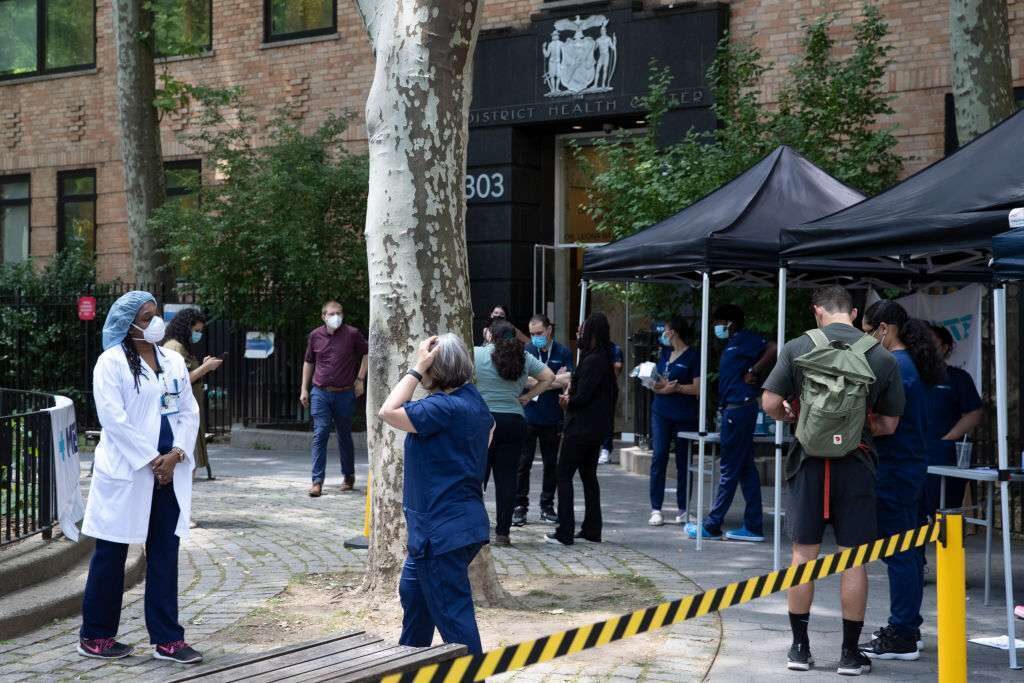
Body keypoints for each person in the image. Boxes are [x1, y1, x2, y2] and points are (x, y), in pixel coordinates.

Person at [762, 286, 903, 676]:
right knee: (852, 559)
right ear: (855, 314)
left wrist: (796, 417)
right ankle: (849, 654)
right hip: (856, 463)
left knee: (803, 555)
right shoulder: (881, 355)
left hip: (808, 463)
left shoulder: (796, 348)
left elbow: (770, 404)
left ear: (817, 312)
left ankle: (799, 649)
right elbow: (890, 424)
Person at [78, 291, 202, 664]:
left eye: (155, 315)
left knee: (165, 552)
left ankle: (168, 639)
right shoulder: (110, 363)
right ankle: (95, 635)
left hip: (170, 472)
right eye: (147, 318)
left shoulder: (172, 362)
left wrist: (177, 453)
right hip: (130, 472)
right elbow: (114, 420)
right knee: (112, 553)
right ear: (127, 325)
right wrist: (153, 460)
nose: (155, 324)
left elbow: (187, 411)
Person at [378, 335, 495, 655]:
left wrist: (416, 369)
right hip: (458, 525)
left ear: (435, 370)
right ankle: (408, 666)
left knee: (454, 620)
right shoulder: (473, 400)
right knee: (414, 596)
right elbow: (490, 431)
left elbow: (388, 411)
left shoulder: (441, 407)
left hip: (439, 532)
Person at [859, 300, 946, 661]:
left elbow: (885, 422)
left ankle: (902, 634)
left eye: (867, 332)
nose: (865, 340)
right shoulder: (915, 363)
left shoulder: (895, 365)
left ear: (883, 329)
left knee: (899, 552)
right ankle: (908, 625)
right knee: (909, 552)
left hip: (894, 467)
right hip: (910, 465)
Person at [686, 304, 776, 542]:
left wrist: (754, 369)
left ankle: (713, 525)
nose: (715, 327)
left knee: (728, 470)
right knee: (746, 470)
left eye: (718, 323)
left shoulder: (745, 339)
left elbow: (774, 348)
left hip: (738, 410)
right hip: (735, 410)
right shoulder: (733, 342)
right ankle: (754, 526)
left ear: (730, 323)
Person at [474, 319, 554, 545]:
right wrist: (528, 396)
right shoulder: (524, 357)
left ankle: (477, 530)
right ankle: (503, 532)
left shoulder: (477, 354)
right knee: (507, 479)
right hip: (514, 421)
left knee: (477, 477)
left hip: (483, 421)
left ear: (490, 335)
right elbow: (549, 377)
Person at [546, 312, 618, 546]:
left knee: (563, 475)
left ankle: (565, 530)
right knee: (588, 477)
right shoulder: (603, 358)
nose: (579, 333)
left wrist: (568, 401)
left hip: (581, 428)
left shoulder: (592, 360)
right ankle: (591, 528)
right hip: (595, 429)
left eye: (582, 330)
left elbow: (582, 396)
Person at [299, 300, 368, 497]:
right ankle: (317, 481)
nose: (335, 316)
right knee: (320, 434)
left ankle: (348, 475)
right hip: (320, 391)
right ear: (323, 316)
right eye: (331, 313)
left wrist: (360, 379)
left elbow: (366, 353)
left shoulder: (352, 334)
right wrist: (304, 389)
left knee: (344, 435)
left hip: (345, 392)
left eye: (339, 312)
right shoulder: (315, 336)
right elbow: (308, 361)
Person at [512, 314, 573, 527]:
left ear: (549, 330)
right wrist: (553, 379)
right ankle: (520, 506)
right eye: (532, 334)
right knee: (523, 463)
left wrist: (540, 380)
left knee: (551, 464)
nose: (535, 337)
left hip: (552, 416)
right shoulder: (527, 350)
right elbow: (523, 380)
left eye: (539, 333)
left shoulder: (563, 352)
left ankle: (547, 506)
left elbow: (569, 379)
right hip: (528, 415)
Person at [921, 325, 983, 516]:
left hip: (942, 455)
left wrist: (949, 438)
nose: (927, 347)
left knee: (945, 510)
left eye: (932, 342)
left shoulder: (958, 378)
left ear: (945, 347)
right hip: (911, 452)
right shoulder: (908, 374)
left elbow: (974, 413)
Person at [647, 317, 700, 526]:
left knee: (683, 461)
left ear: (674, 332)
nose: (663, 334)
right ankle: (656, 508)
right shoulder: (665, 354)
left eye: (666, 330)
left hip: (685, 415)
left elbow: (697, 388)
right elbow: (654, 382)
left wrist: (676, 388)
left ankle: (683, 508)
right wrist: (660, 387)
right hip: (661, 412)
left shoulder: (693, 356)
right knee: (659, 457)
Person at [161, 309, 223, 481]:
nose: (198, 335)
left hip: (189, 404)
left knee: (191, 451)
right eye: (196, 331)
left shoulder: (182, 347)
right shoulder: (174, 347)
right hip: (179, 407)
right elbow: (177, 381)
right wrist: (205, 368)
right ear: (186, 328)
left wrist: (203, 366)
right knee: (185, 451)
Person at [597, 341, 624, 464]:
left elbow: (617, 368)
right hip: (592, 388)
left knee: (607, 420)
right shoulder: (589, 348)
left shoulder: (614, 349)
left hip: (608, 389)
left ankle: (606, 449)